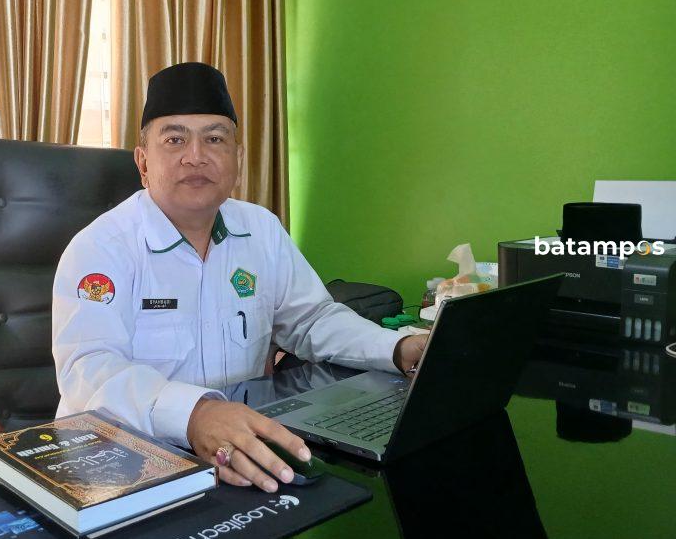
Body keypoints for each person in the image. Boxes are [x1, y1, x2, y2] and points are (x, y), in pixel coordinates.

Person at [52, 62, 427, 492]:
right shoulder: (102, 248)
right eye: (174, 139)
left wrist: (396, 347)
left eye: (215, 139)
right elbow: (90, 370)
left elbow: (311, 319)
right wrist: (194, 414)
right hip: (124, 467)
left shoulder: (260, 229)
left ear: (238, 159)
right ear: (143, 161)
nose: (195, 156)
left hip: (241, 452)